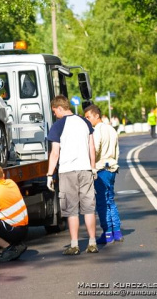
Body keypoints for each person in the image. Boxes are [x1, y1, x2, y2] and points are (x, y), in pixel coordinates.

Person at [46, 95, 98, 255]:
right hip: (85, 169)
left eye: (55, 111)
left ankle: (74, 245)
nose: (55, 114)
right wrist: (93, 167)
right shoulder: (85, 122)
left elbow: (55, 153)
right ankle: (92, 243)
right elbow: (92, 147)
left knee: (72, 210)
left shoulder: (58, 125)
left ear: (60, 108)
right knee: (89, 208)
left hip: (67, 171)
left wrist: (49, 174)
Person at [84, 105, 123, 244]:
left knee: (101, 202)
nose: (87, 120)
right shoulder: (111, 129)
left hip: (101, 169)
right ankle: (117, 232)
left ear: (96, 116)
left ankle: (107, 233)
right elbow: (117, 150)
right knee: (110, 200)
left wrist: (91, 164)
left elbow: (96, 149)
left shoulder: (96, 131)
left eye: (88, 117)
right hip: (112, 167)